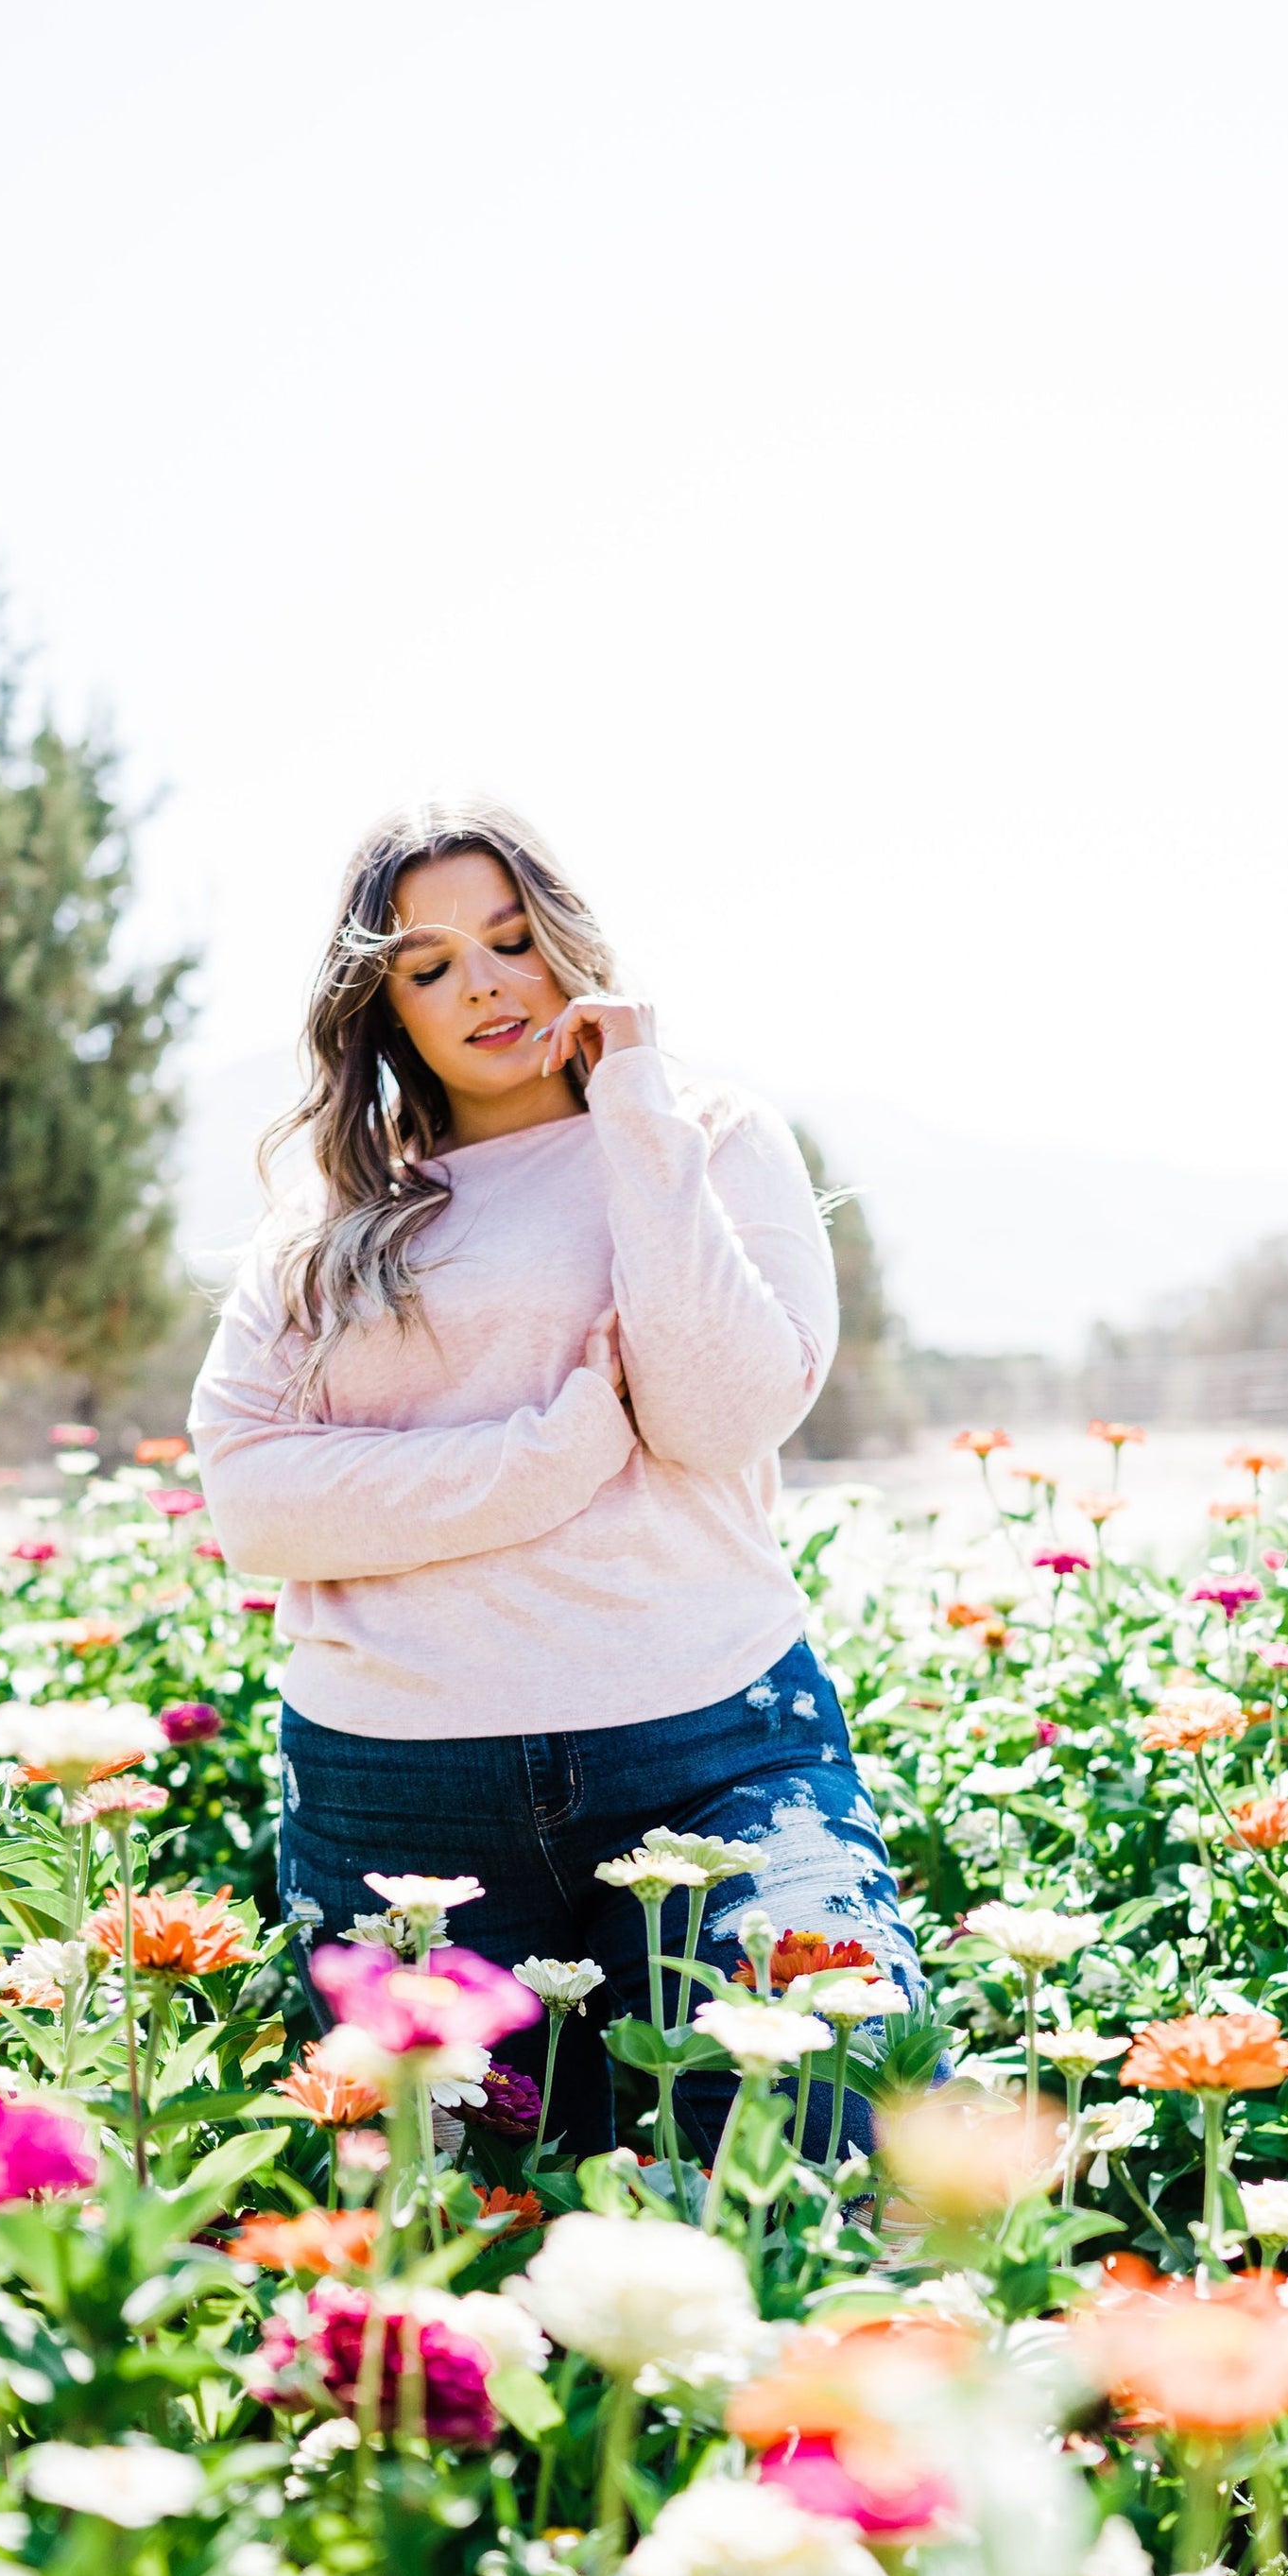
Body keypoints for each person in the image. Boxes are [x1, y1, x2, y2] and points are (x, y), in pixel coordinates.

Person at [190, 798, 919, 2161]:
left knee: (802, 2133)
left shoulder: (703, 1133)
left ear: (564, 945)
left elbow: (720, 1417)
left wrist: (635, 1109)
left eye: (512, 939)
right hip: (396, 1790)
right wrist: (554, 1455)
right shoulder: (325, 1216)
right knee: (477, 2232)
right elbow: (253, 1502)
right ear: (385, 1008)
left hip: (711, 1744)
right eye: (429, 964)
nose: (483, 982)